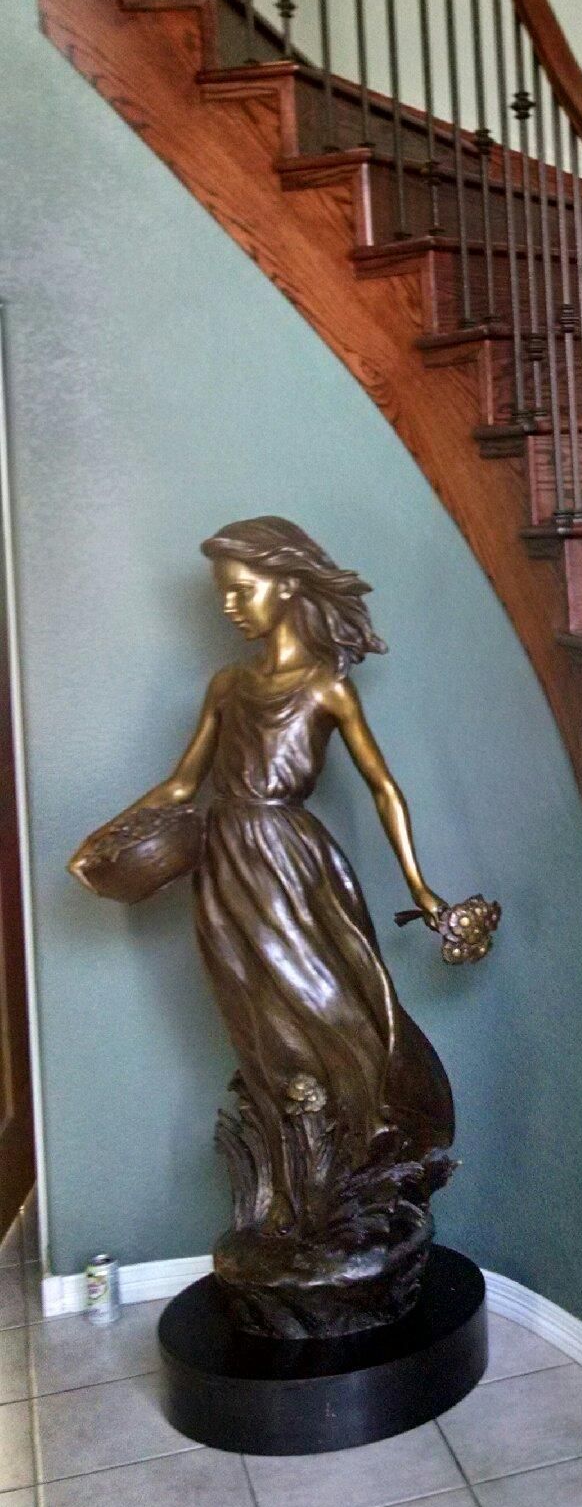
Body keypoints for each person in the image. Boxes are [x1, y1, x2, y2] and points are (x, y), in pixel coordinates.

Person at [71, 517, 457, 1338]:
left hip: (297, 868)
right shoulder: (225, 687)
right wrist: (105, 840)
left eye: (242, 590)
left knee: (339, 1015)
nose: (233, 607)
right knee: (258, 1024)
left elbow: (384, 788)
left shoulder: (325, 686)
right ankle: (292, 1207)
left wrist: (422, 890)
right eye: (224, 597)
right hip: (225, 871)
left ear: (286, 585)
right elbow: (182, 787)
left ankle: (356, 1171)